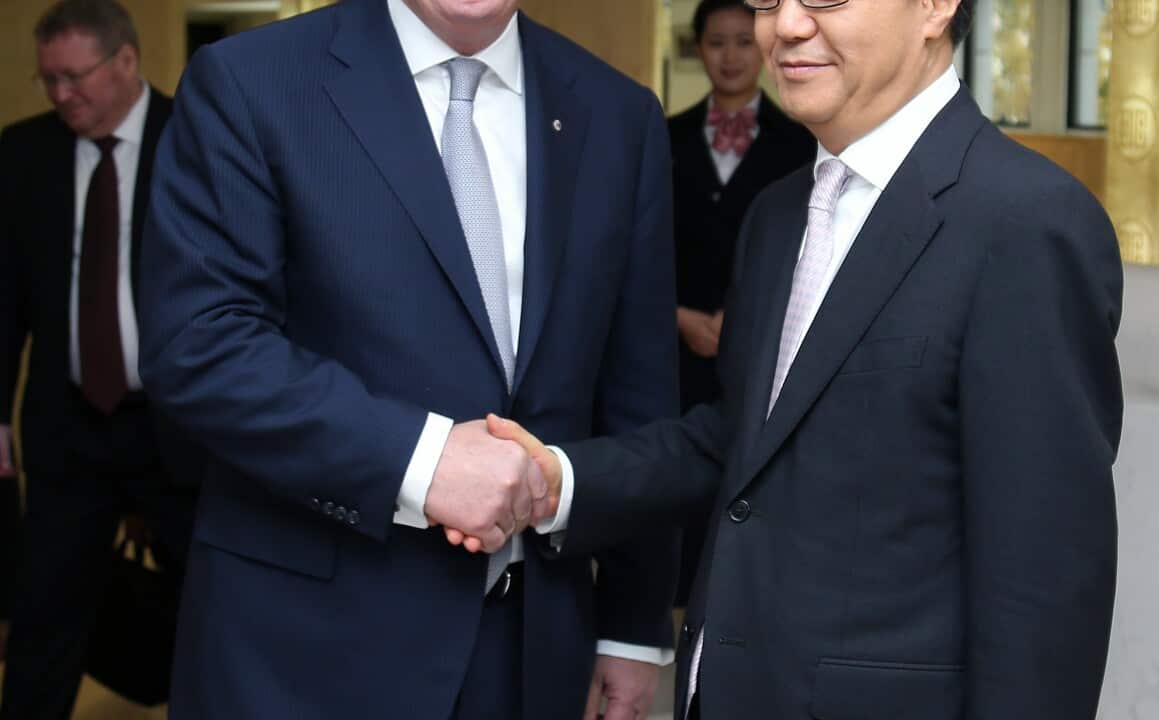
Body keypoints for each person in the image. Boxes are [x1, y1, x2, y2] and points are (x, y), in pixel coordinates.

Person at [483, 0, 1125, 717]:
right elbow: (741, 442)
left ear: (936, 8)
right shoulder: (779, 214)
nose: (783, 26)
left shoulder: (1027, 226)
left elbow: (1043, 586)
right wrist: (557, 479)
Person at [137, 0, 680, 717]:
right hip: (305, 650)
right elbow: (200, 344)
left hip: (530, 651)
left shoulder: (619, 115)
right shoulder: (248, 82)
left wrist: (633, 629)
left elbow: (638, 391)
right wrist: (420, 462)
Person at [0, 1, 198, 717]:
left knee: (215, 605)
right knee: (44, 614)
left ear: (125, 61)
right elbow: (5, 297)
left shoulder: (199, 141)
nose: (60, 96)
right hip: (68, 428)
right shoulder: (21, 155)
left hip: (181, 429)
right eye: (48, 79)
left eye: (75, 77)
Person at [668, 0, 813, 605]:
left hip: (758, 350)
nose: (730, 56)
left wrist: (742, 321)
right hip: (670, 347)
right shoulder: (661, 135)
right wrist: (675, 315)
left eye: (742, 41)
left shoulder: (804, 141)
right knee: (669, 484)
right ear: (698, 48)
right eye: (717, 42)